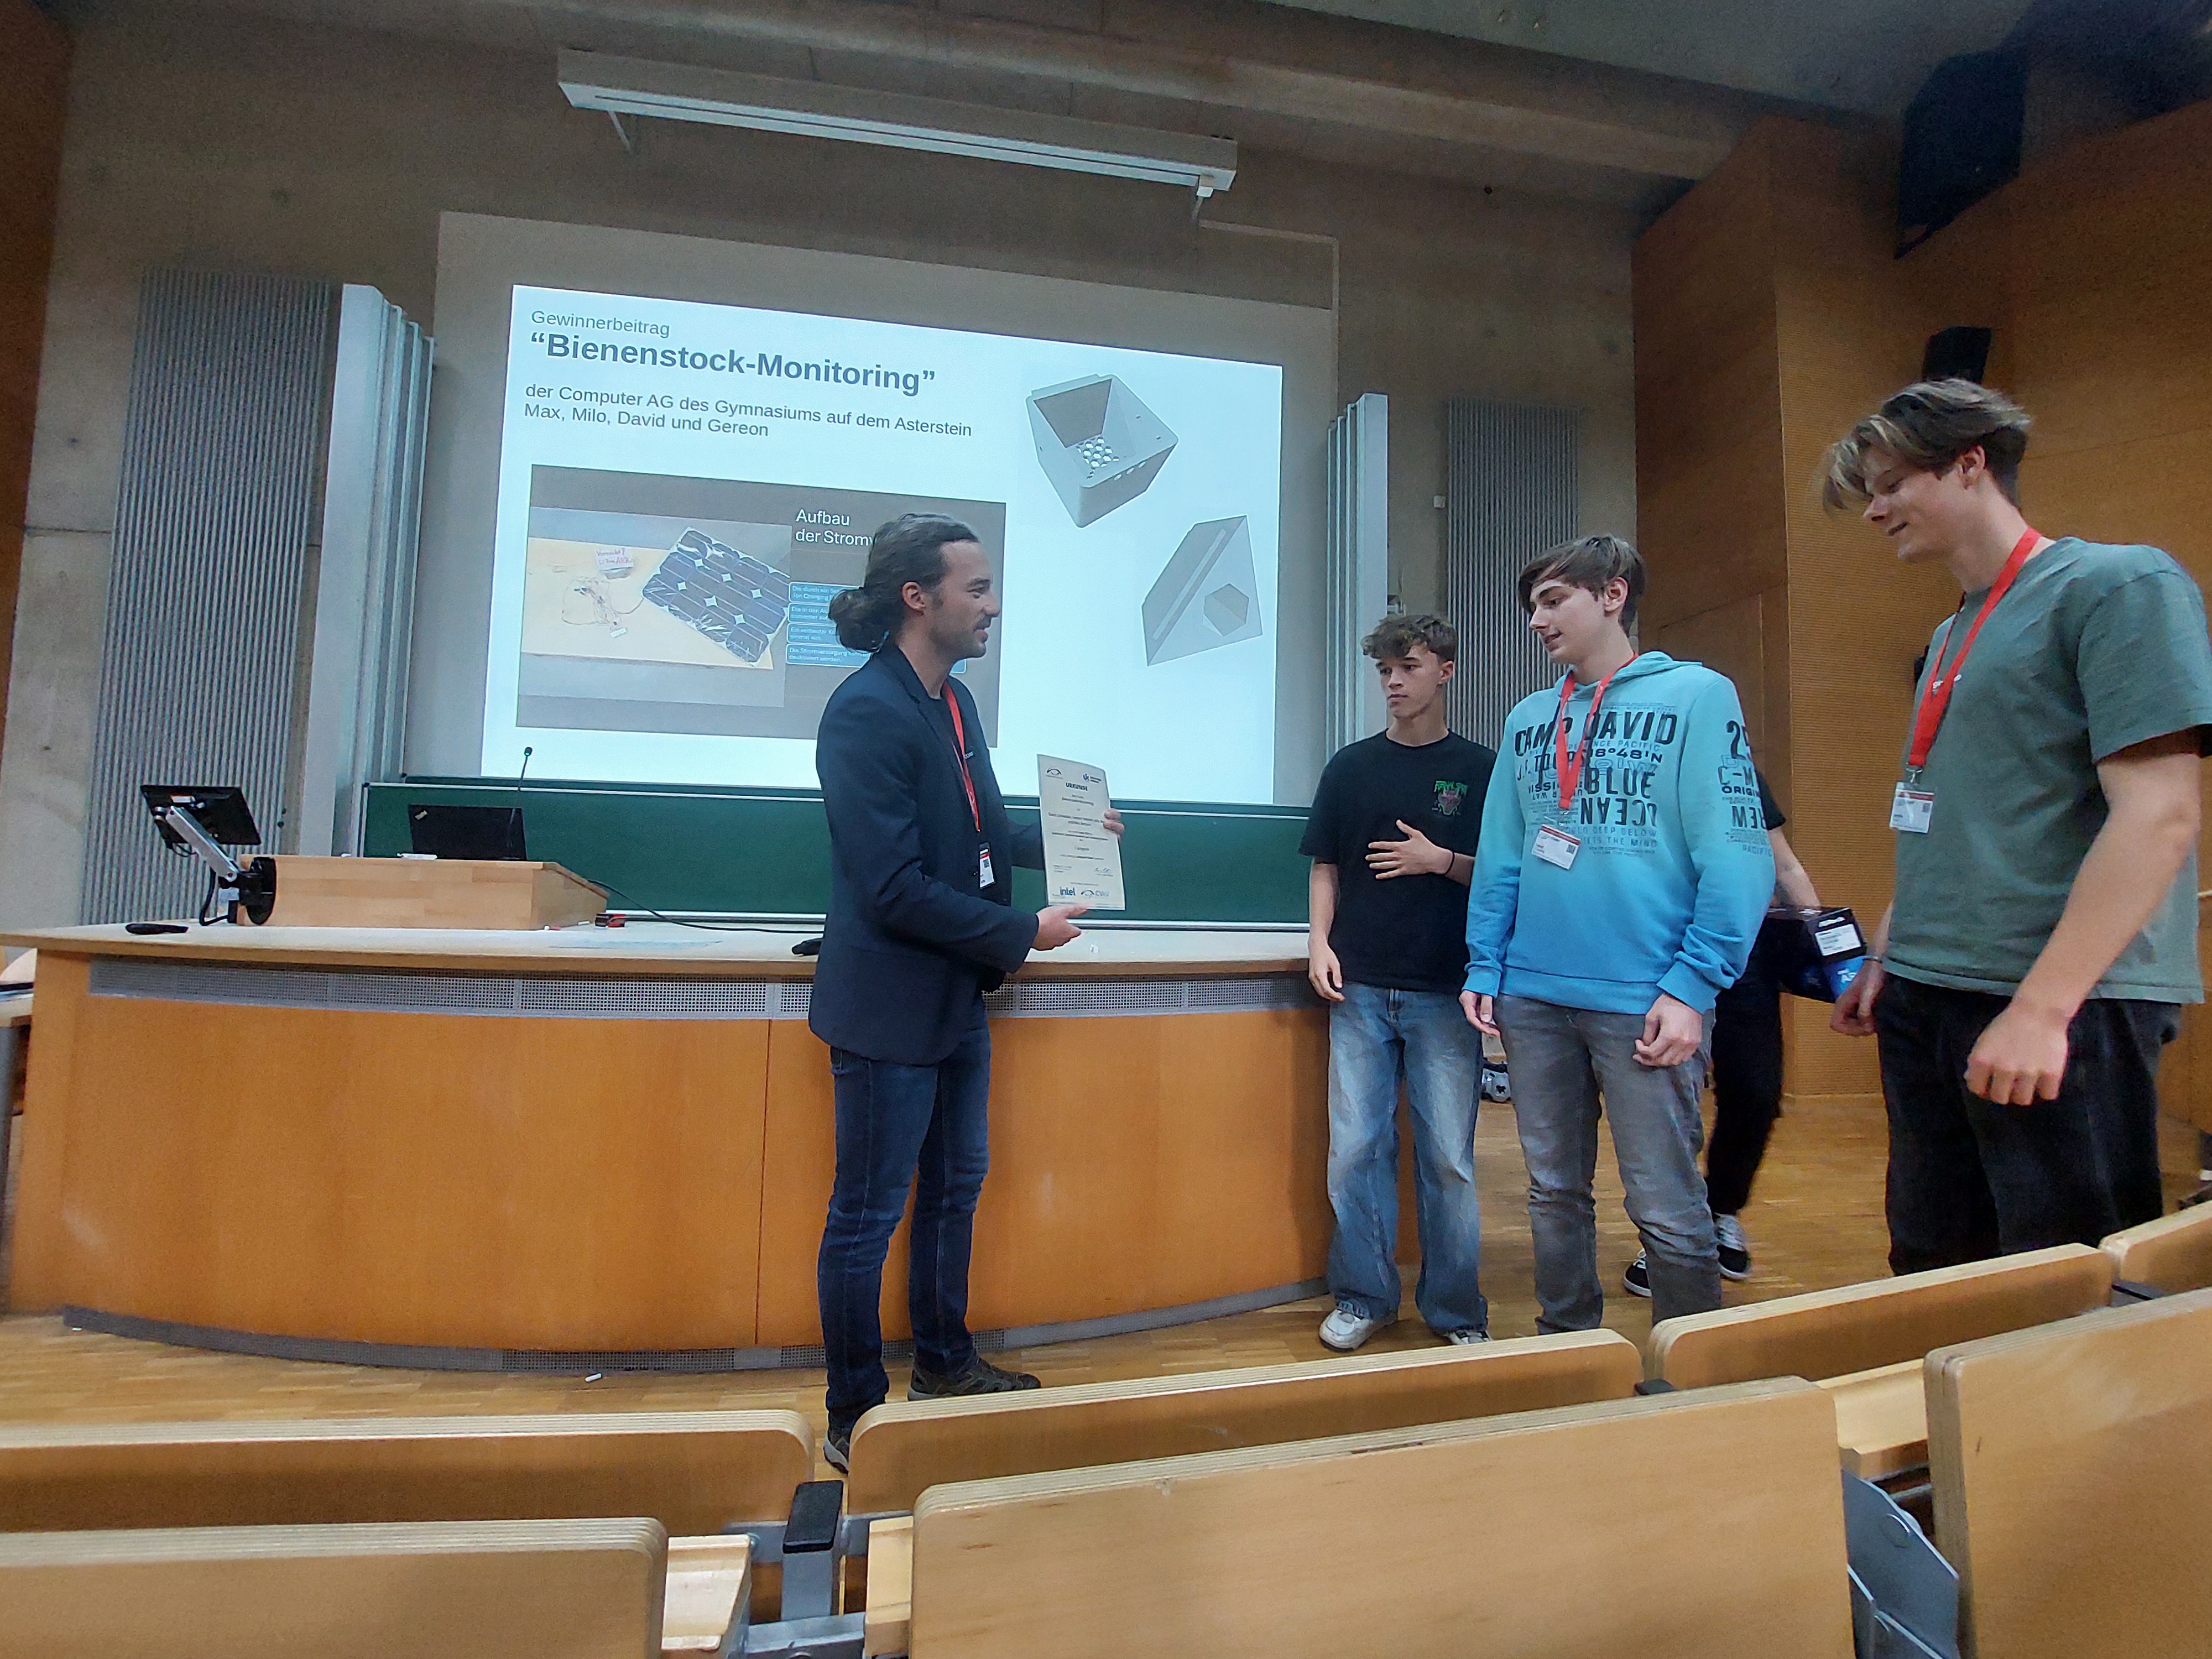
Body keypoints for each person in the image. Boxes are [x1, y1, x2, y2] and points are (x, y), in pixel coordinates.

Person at [1823, 380, 2212, 1272]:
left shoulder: (2118, 585)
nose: (1875, 511)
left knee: (2064, 1278)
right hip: (1929, 990)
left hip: (2056, 1000)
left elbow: (2160, 813)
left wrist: (2042, 1009)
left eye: (1892, 485)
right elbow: (1951, 812)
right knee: (1934, 1269)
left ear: (1970, 465)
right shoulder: (1953, 632)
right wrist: (1893, 949)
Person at [810, 512, 1119, 1471]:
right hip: (888, 1009)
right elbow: (893, 889)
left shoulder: (953, 703)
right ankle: (855, 1414)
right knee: (867, 1218)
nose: (992, 606)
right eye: (977, 589)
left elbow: (977, 832)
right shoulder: (865, 712)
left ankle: (944, 1366)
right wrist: (1022, 933)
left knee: (953, 1192)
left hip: (956, 999)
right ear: (919, 597)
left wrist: (1067, 838)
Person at [1462, 535, 1774, 1330]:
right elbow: (1502, 853)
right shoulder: (1529, 718)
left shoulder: (1698, 696)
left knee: (1665, 1205)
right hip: (1533, 997)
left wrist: (1694, 986)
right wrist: (1485, 964)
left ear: (1613, 595)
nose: (1536, 621)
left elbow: (1737, 853)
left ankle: (1690, 1369)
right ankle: (1564, 1342)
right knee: (1552, 1192)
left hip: (1647, 1000)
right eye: (1532, 606)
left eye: (1553, 600)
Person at [1301, 614, 1498, 1350]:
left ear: (1445, 671)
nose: (1392, 682)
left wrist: (1438, 860)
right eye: (1384, 670)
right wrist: (1319, 943)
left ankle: (1456, 1311)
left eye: (1408, 667)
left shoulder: (1481, 770)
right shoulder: (1350, 767)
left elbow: (1503, 876)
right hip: (1358, 986)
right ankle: (1364, 1297)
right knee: (1355, 1150)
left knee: (1448, 1160)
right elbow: (1325, 864)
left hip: (1446, 988)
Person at [1625, 769, 1819, 1295]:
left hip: (1740, 952)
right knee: (1670, 1099)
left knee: (1757, 1093)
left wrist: (1829, 949)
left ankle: (1719, 1209)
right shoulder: (1643, 767)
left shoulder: (1737, 771)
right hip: (1660, 951)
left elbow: (1785, 864)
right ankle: (1669, 1232)